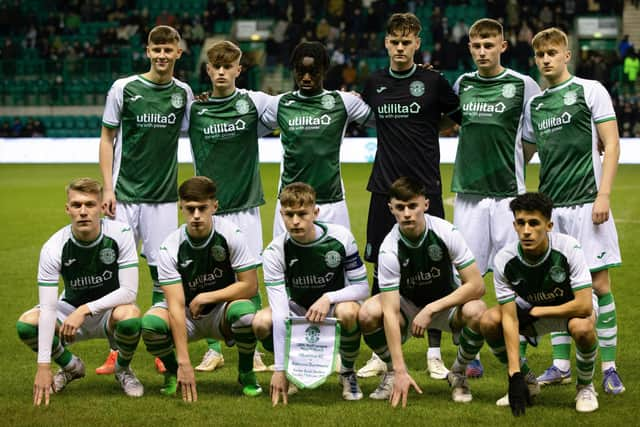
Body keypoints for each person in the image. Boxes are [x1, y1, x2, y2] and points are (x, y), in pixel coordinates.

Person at [358, 12, 460, 382]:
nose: (400, 48)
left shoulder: (434, 81)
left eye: (407, 42)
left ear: (417, 44)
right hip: (384, 190)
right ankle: (380, 355)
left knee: (433, 271)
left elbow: (458, 118)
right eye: (394, 42)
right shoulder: (375, 83)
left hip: (426, 190)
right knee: (380, 271)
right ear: (385, 43)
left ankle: (434, 353)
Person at [522, 27, 624, 394]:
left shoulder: (589, 90)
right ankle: (561, 365)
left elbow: (611, 144)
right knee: (559, 289)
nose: (546, 59)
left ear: (567, 55)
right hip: (553, 212)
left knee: (599, 284)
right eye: (540, 54)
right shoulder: (536, 105)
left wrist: (604, 195)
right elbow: (527, 153)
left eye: (552, 52)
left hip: (587, 204)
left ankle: (610, 367)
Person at [98, 25, 194, 375]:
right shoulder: (124, 88)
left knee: (162, 274)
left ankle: (159, 344)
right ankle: (115, 349)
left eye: (169, 50)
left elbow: (194, 133)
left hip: (164, 199)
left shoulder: (183, 93)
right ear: (148, 51)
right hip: (123, 197)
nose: (162, 56)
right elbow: (107, 138)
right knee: (113, 271)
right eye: (157, 50)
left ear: (179, 53)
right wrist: (107, 189)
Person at [451, 18, 540, 378]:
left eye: (489, 45)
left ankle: (513, 342)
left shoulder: (523, 85)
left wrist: (513, 163)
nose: (482, 52)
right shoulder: (463, 84)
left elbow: (530, 140)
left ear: (503, 46)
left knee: (512, 274)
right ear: (470, 48)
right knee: (467, 278)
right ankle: (468, 353)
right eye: (476, 46)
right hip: (469, 195)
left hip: (508, 196)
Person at [358, 177, 486, 407]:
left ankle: (458, 373)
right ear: (391, 209)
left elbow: (477, 285)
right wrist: (399, 369)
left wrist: (432, 308)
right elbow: (389, 311)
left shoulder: (446, 232)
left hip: (445, 304)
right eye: (400, 208)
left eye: (412, 206)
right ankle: (389, 373)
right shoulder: (388, 248)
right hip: (407, 307)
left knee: (478, 310)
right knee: (367, 313)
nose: (407, 214)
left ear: (425, 205)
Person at [17, 178, 144, 406]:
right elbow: (47, 308)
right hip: (69, 312)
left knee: (131, 316)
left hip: (107, 311)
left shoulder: (120, 233)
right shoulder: (54, 247)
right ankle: (70, 367)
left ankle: (123, 370)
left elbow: (129, 291)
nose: (83, 211)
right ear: (68, 209)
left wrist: (85, 310)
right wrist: (43, 366)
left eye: (90, 204)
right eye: (77, 205)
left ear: (101, 207)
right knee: (27, 324)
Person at [187, 40, 271, 374]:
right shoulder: (194, 109)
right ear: (208, 70)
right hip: (207, 210)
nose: (221, 72)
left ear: (239, 70)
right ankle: (212, 349)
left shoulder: (254, 104)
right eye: (216, 67)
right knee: (205, 281)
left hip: (245, 207)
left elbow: (295, 105)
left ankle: (254, 352)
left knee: (249, 279)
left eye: (228, 67)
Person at [140, 176, 262, 400]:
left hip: (220, 313)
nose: (196, 216)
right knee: (150, 324)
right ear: (181, 207)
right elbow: (175, 306)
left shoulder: (231, 235)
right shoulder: (170, 247)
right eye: (190, 209)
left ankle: (246, 372)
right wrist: (183, 362)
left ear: (214, 206)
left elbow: (250, 286)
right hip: (186, 315)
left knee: (244, 314)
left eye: (202, 208)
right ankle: (171, 373)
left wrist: (207, 297)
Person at [480, 192, 600, 415]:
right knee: (489, 320)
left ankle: (585, 386)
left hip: (570, 310)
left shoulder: (568, 248)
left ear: (549, 225)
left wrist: (536, 310)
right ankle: (527, 381)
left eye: (534, 223)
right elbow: (508, 317)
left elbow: (584, 305)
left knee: (582, 327)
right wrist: (514, 375)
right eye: (520, 223)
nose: (526, 230)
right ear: (514, 225)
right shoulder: (504, 260)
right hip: (532, 313)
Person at [252, 182, 369, 406]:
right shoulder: (275, 252)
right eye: (289, 214)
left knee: (350, 311)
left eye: (302, 214)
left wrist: (328, 298)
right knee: (260, 322)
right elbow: (279, 311)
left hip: (332, 309)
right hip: (297, 310)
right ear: (281, 214)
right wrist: (279, 369)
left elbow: (362, 287)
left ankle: (347, 372)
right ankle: (292, 372)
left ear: (315, 212)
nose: (295, 221)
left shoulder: (341, 237)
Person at [261, 41, 373, 238]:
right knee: (287, 266)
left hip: (331, 201)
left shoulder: (343, 102)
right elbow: (244, 126)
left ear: (324, 70)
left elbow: (388, 118)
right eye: (300, 71)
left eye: (313, 71)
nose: (306, 77)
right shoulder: (280, 104)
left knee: (338, 263)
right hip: (289, 203)